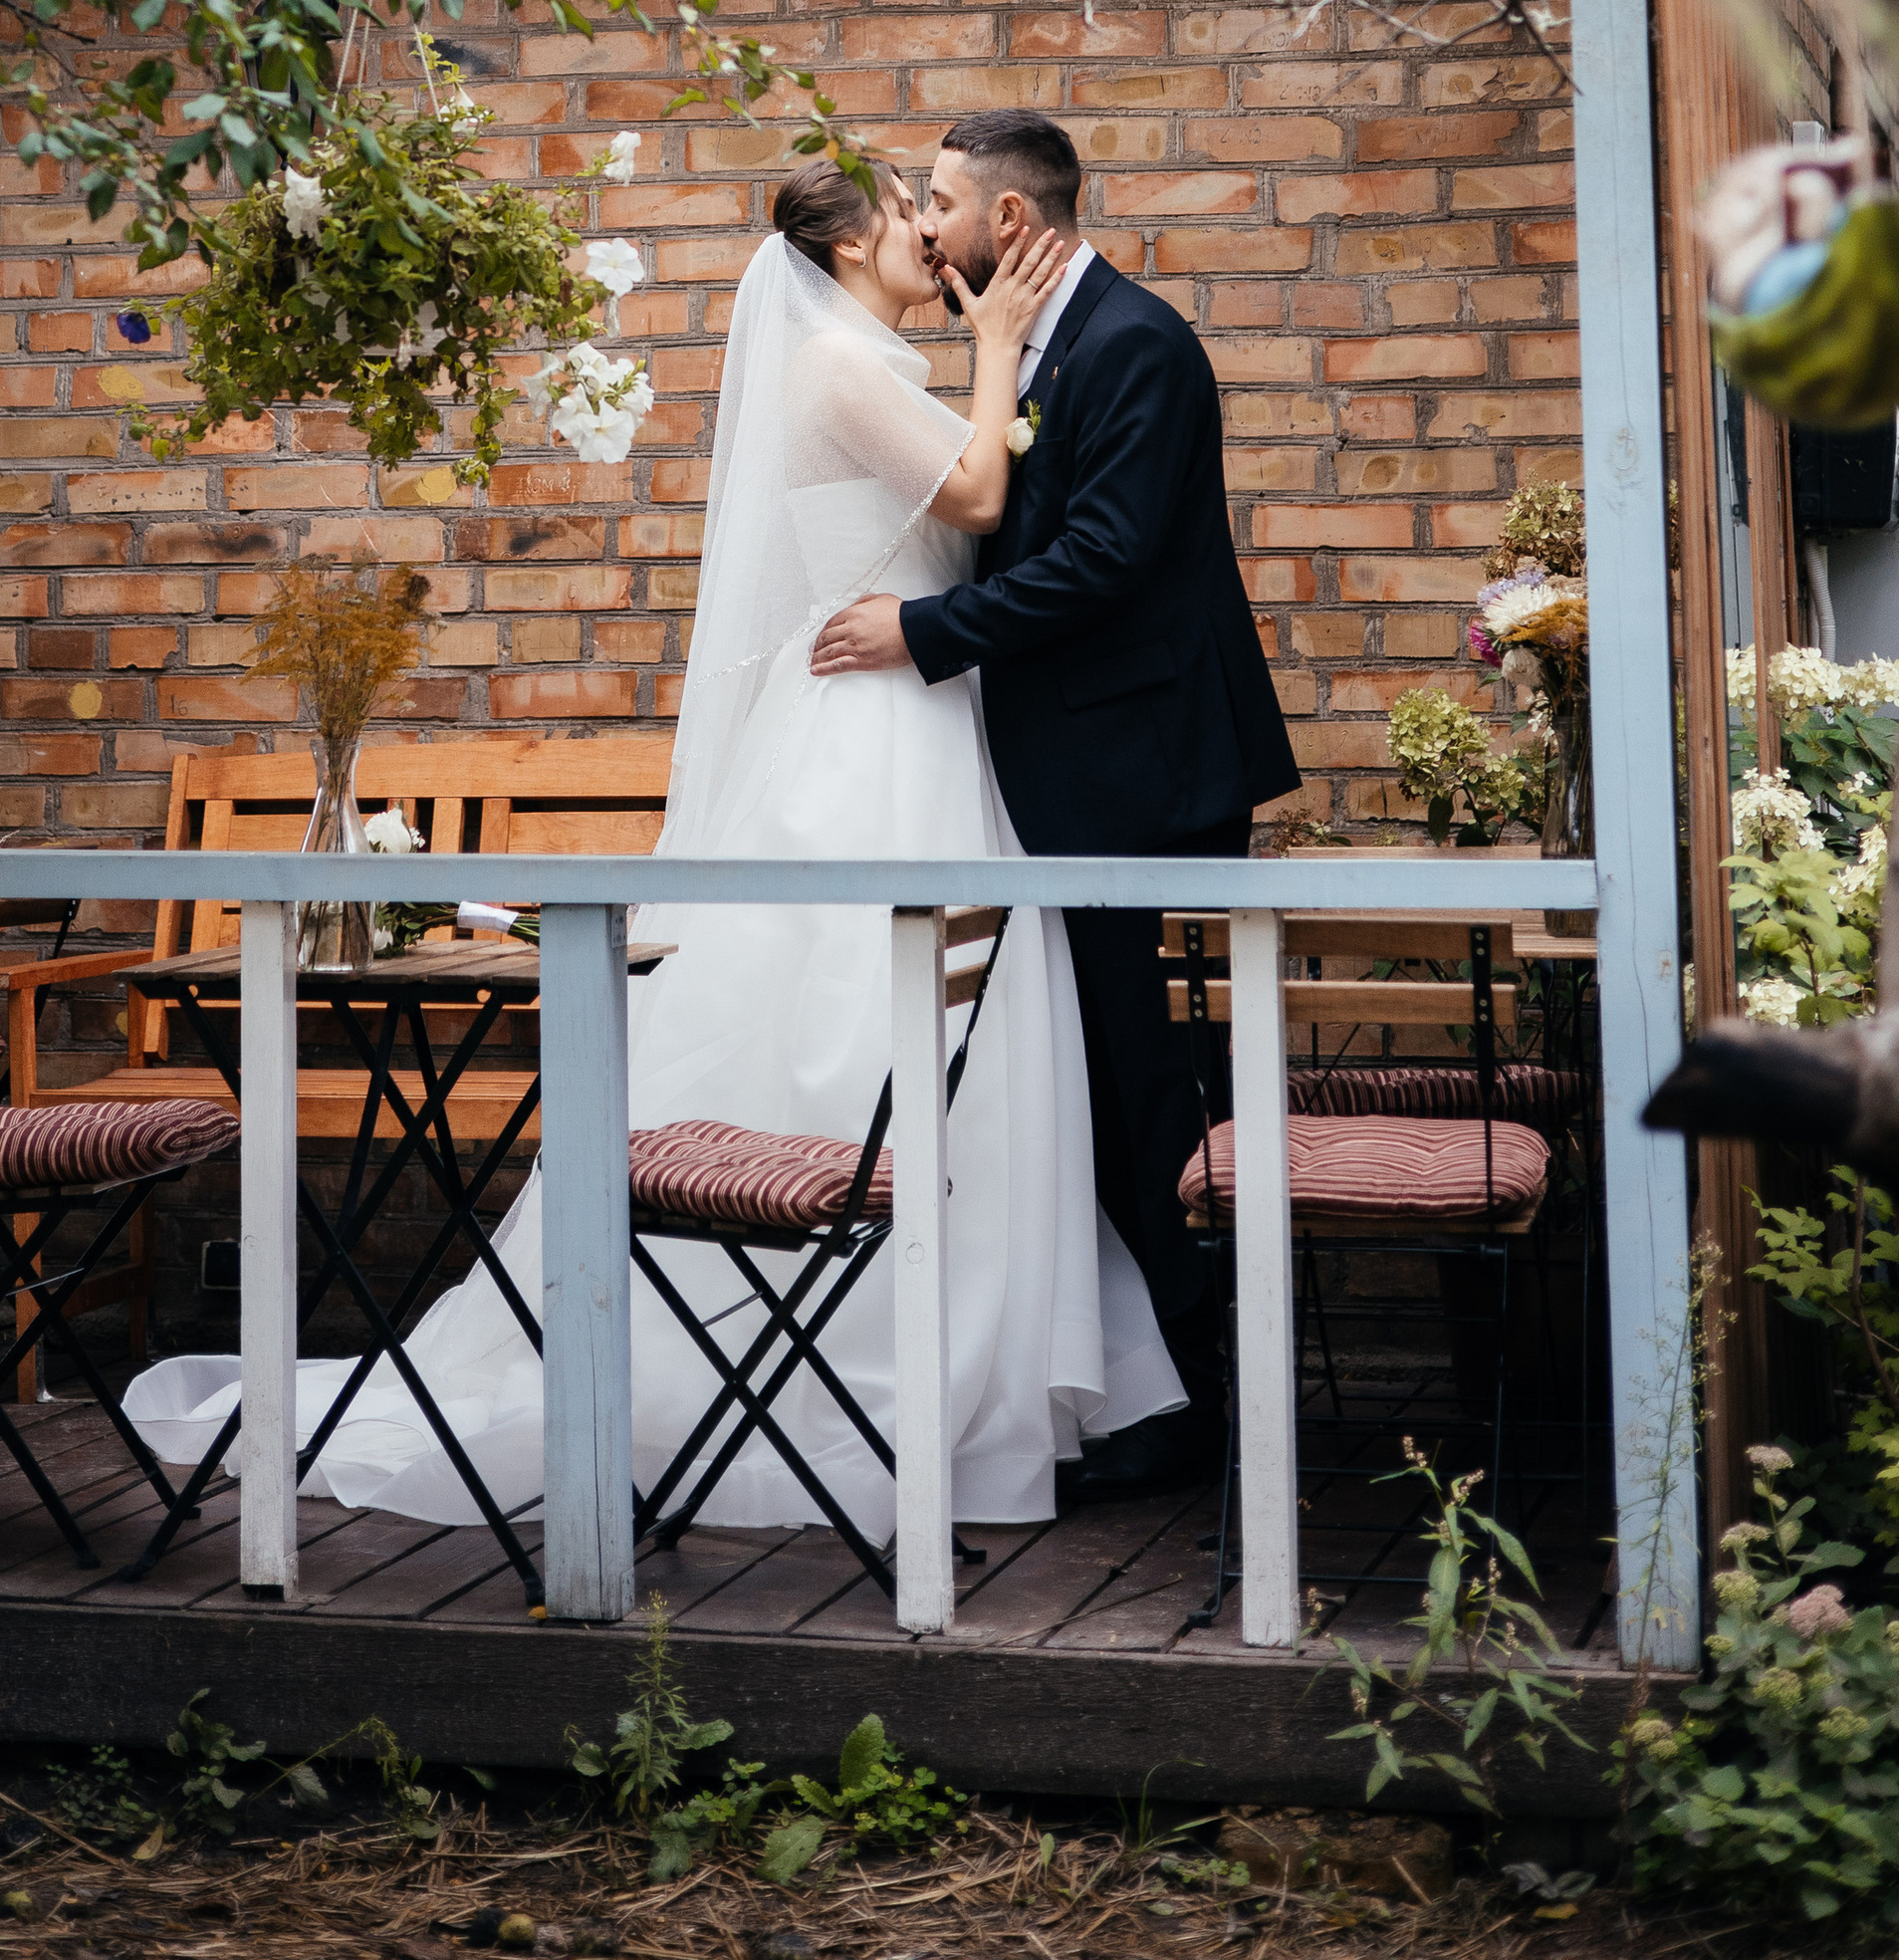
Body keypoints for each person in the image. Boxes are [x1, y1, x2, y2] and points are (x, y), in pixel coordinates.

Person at [154, 157, 1186, 1547]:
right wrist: (1000, 342)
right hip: (867, 750)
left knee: (945, 1047)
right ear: (840, 249)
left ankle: (970, 1362)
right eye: (902, 217)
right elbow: (981, 500)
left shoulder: (865, 353)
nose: (924, 237)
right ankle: (839, 1359)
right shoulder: (833, 364)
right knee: (847, 1043)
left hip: (918, 730)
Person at [811, 108, 1303, 1494]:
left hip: (1137, 776)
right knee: (1090, 1076)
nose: (926, 225)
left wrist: (921, 637)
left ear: (1009, 224)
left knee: (1134, 1081)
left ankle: (1201, 1411)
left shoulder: (1136, 344)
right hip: (1063, 770)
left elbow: (1100, 561)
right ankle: (1150, 1388)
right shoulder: (1024, 342)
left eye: (945, 203)